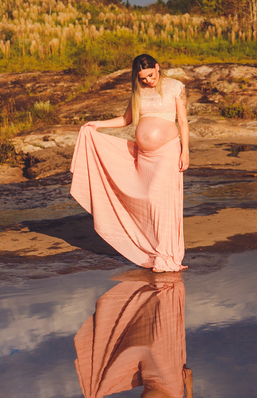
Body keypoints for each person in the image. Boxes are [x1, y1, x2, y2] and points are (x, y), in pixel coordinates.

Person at [70, 53, 189, 272]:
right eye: (143, 78)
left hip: (167, 153)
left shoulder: (175, 87)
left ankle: (166, 253)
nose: (148, 81)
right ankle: (151, 250)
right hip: (144, 157)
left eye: (151, 75)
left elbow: (182, 121)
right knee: (144, 201)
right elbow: (127, 120)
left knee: (158, 201)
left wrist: (185, 151)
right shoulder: (139, 92)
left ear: (158, 67)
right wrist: (97, 125)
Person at [74, 275, 193, 398]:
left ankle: (152, 294)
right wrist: (189, 385)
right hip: (172, 385)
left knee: (144, 340)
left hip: (150, 380)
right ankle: (168, 291)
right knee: (162, 339)